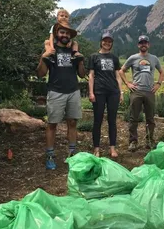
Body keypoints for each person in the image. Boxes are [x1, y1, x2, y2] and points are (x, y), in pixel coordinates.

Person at [36, 21, 86, 170]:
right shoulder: (51, 51)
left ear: (70, 35)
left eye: (67, 33)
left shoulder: (74, 52)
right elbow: (40, 73)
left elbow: (82, 75)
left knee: (72, 123)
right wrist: (43, 57)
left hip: (73, 91)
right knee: (52, 124)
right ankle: (50, 154)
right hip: (56, 92)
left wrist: (81, 60)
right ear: (57, 34)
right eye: (62, 32)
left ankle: (72, 153)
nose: (64, 35)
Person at [118, 35, 164, 151]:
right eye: (141, 43)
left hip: (150, 91)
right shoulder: (133, 58)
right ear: (138, 45)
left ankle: (149, 141)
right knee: (133, 118)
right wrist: (128, 83)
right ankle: (133, 141)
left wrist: (158, 84)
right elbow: (121, 71)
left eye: (145, 43)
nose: (143, 44)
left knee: (150, 118)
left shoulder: (154, 58)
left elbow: (162, 72)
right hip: (136, 91)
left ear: (148, 45)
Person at [88, 32, 123, 158]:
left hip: (113, 92)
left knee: (112, 120)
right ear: (101, 42)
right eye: (105, 41)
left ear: (111, 43)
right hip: (99, 92)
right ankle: (96, 149)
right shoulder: (94, 56)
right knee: (97, 120)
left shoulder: (114, 58)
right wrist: (91, 92)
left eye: (109, 41)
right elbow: (91, 75)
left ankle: (112, 148)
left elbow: (117, 76)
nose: (107, 43)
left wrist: (121, 92)